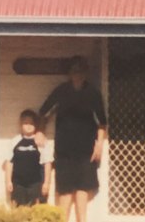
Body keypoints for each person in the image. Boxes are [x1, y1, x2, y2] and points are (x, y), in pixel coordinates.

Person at [38, 55, 107, 222]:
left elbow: (102, 123)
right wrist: (40, 131)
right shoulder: (61, 91)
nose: (78, 74)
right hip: (64, 151)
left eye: (81, 71)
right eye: (75, 71)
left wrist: (99, 145)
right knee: (66, 191)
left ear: (86, 73)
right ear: (69, 73)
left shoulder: (93, 93)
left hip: (85, 151)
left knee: (83, 190)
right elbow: (43, 113)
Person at [4, 109, 53, 206]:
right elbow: (9, 163)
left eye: (31, 123)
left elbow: (47, 163)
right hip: (18, 184)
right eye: (26, 123)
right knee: (19, 213)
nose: (29, 126)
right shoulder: (15, 141)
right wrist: (8, 181)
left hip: (36, 184)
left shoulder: (40, 141)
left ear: (36, 125)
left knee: (36, 213)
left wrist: (46, 183)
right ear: (20, 124)